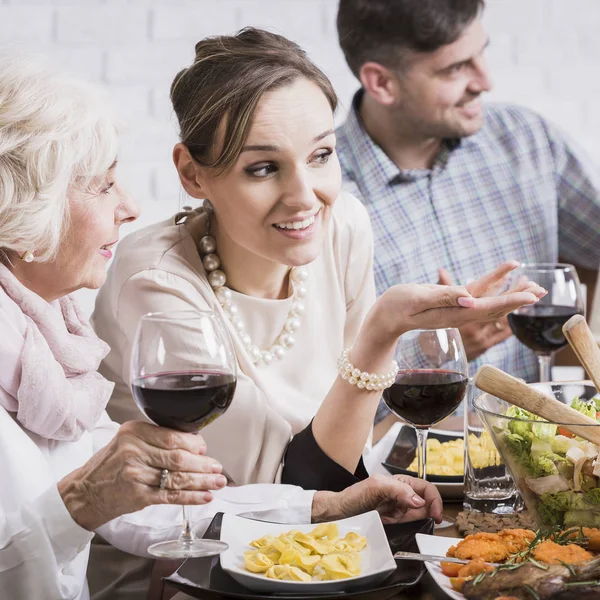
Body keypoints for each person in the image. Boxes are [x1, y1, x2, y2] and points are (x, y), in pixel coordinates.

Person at [0, 54, 495, 600]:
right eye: (102, 186)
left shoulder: (48, 338)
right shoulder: (142, 284)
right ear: (21, 215)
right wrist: (380, 336)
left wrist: (325, 506)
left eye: (323, 154)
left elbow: (146, 506)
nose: (131, 206)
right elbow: (116, 507)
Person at [335, 0, 600, 428]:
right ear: (381, 82)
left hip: (536, 467)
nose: (486, 81)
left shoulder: (527, 141)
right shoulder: (318, 199)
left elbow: (593, 249)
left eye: (482, 53)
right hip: (400, 478)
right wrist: (443, 349)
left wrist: (571, 359)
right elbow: (311, 397)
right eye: (455, 69)